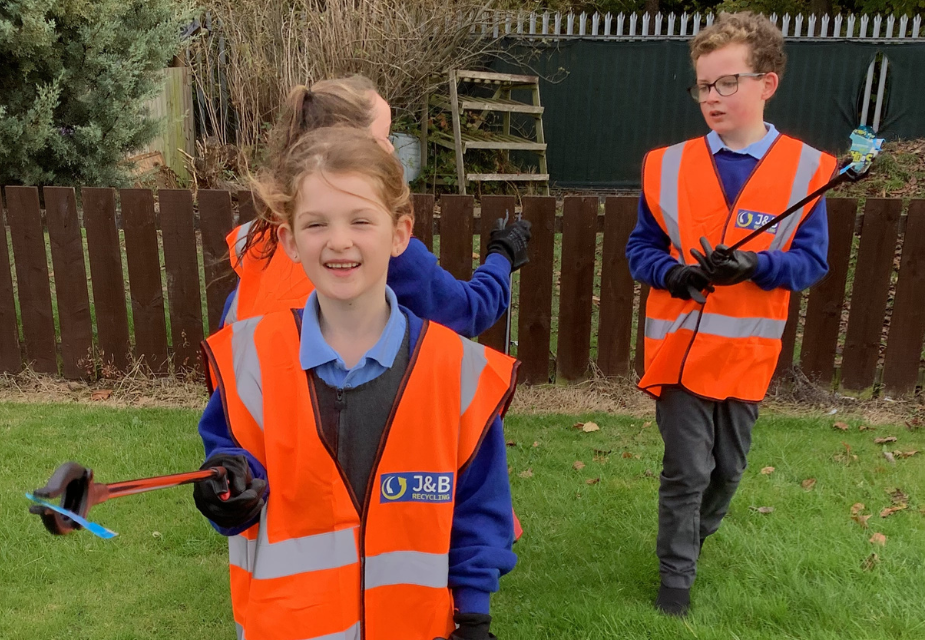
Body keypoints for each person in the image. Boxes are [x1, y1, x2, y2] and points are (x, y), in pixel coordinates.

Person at [194, 127, 519, 640]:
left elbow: (480, 508)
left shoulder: (454, 370)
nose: (339, 240)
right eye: (316, 223)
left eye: (360, 220)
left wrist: (474, 615)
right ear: (290, 241)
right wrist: (226, 491)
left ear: (399, 234)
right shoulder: (248, 360)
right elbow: (234, 477)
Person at [625, 12, 837, 617]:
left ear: (767, 83)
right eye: (703, 86)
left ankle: (696, 531)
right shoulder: (665, 165)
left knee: (725, 474)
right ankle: (675, 582)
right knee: (687, 469)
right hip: (679, 351)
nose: (711, 98)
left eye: (727, 84)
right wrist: (674, 273)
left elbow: (810, 263)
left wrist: (756, 267)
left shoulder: (806, 171)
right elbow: (640, 248)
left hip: (745, 355)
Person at [222, 76, 532, 340]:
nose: (393, 149)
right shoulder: (374, 252)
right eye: (385, 137)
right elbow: (466, 310)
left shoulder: (260, 236)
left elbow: (233, 332)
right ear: (353, 145)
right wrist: (502, 257)